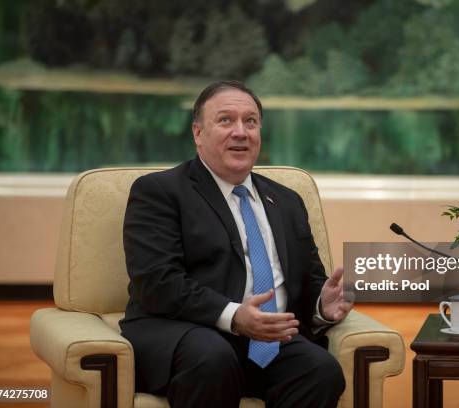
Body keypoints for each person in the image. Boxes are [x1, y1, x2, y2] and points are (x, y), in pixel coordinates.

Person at [120, 80, 352, 407]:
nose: (240, 132)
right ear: (198, 133)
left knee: (321, 370)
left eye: (251, 121)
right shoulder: (160, 192)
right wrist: (234, 316)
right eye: (226, 120)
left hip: (267, 343)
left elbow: (310, 279)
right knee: (213, 357)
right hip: (186, 334)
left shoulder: (286, 201)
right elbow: (158, 282)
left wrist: (321, 307)